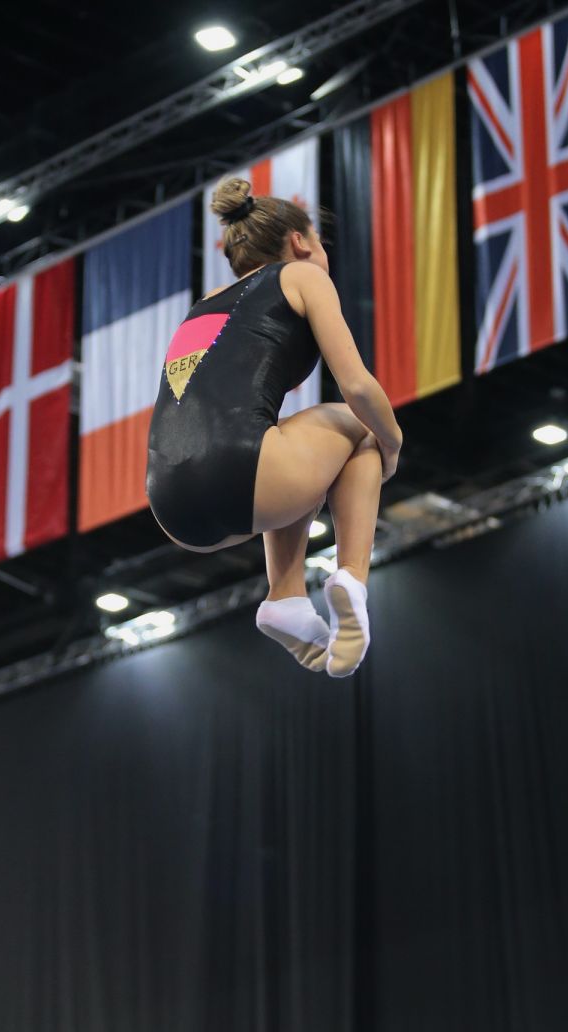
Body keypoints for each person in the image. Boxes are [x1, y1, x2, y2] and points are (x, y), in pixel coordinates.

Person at [146, 177, 402, 678]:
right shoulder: (302, 275)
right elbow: (357, 385)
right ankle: (351, 576)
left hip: (171, 508)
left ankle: (285, 596)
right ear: (301, 242)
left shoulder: (202, 307)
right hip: (245, 473)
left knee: (283, 439)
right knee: (362, 428)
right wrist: (392, 443)